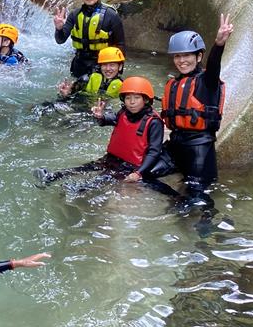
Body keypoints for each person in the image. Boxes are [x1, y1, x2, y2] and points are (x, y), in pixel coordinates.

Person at [35, 76, 178, 197]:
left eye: (136, 98)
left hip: (131, 165)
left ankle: (76, 191)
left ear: (146, 100)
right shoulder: (123, 112)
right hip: (113, 157)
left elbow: (154, 151)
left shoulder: (154, 122)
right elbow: (111, 119)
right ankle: (52, 176)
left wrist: (139, 173)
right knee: (87, 167)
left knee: (104, 178)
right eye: (128, 98)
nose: (132, 102)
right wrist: (100, 116)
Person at [161, 14, 233, 213]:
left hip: (199, 149)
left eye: (187, 55)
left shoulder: (206, 82)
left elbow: (214, 67)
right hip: (176, 144)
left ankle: (205, 233)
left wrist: (219, 44)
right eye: (177, 56)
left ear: (198, 56)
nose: (181, 60)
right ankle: (175, 197)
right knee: (143, 174)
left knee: (196, 198)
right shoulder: (175, 83)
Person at [53, 0, 125, 78]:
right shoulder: (75, 14)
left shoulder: (111, 15)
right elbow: (60, 40)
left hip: (102, 64)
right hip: (79, 64)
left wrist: (118, 70)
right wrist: (59, 28)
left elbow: (120, 43)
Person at [58, 47, 125, 100]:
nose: (107, 69)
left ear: (120, 67)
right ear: (100, 66)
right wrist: (66, 93)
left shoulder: (123, 87)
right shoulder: (87, 79)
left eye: (112, 65)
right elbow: (72, 93)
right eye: (104, 65)